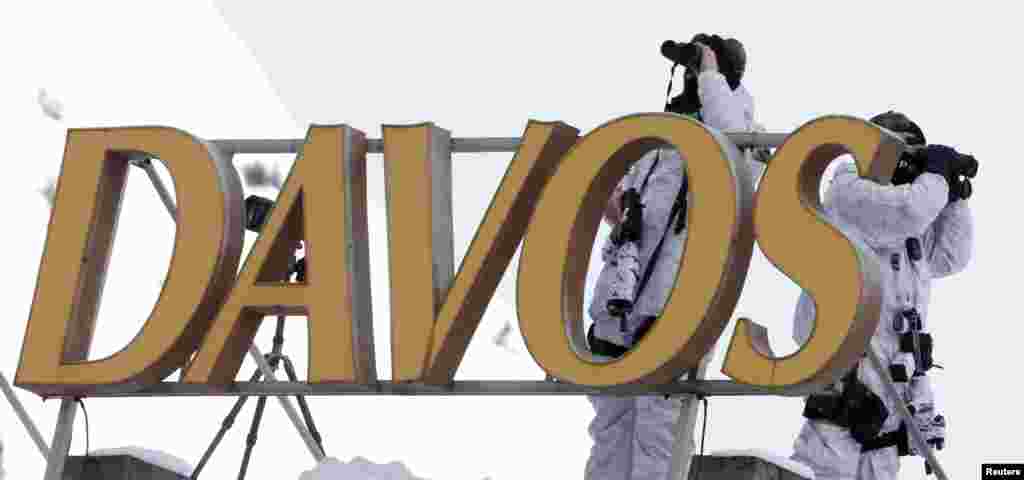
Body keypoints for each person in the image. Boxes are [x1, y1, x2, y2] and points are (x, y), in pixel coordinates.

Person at [585, 34, 766, 480]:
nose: (690, 74)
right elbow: (624, 206)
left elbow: (733, 157)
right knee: (609, 433)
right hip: (623, 303)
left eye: (699, 67)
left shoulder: (748, 133)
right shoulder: (661, 136)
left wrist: (710, 74)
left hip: (678, 308)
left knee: (659, 438)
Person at [789, 111, 975, 480]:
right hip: (838, 412)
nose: (905, 163)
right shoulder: (849, 191)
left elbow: (953, 256)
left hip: (886, 417)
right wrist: (936, 175)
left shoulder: (909, 232)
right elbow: (909, 210)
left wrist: (955, 196)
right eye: (899, 151)